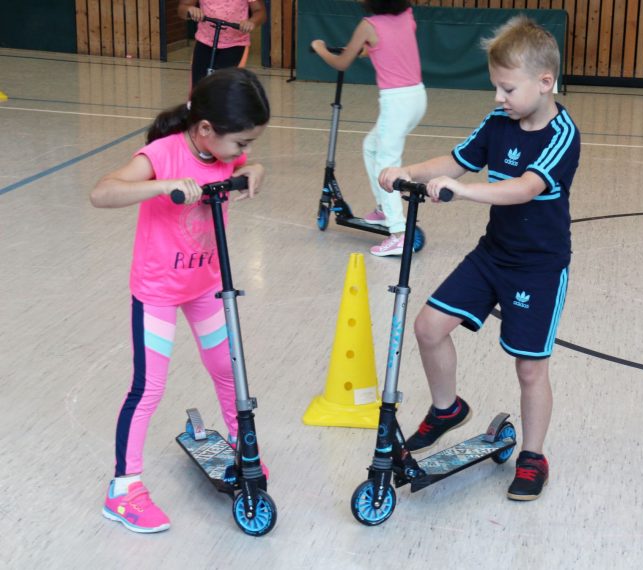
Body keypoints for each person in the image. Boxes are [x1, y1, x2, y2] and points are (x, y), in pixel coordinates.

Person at [379, 15, 580, 501]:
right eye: (496, 87)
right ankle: (447, 408)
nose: (498, 98)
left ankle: (533, 455)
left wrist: (462, 193)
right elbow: (456, 159)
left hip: (538, 266)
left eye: (507, 89)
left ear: (544, 82)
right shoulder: (499, 122)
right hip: (493, 255)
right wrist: (405, 170)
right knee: (428, 327)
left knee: (529, 367)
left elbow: (524, 188)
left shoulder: (561, 136)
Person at [90, 67, 270, 533]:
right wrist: (160, 186)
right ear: (206, 129)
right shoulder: (162, 153)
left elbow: (243, 164)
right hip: (158, 293)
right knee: (148, 388)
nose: (243, 150)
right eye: (242, 143)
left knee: (228, 370)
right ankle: (123, 490)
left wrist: (252, 168)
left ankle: (242, 447)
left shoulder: (221, 152)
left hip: (206, 286)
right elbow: (103, 191)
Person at [311, 0, 426, 257]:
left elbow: (341, 63)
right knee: (371, 146)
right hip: (417, 97)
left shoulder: (368, 25)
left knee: (387, 163)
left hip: (396, 102)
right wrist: (370, 49)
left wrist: (319, 47)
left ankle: (397, 231)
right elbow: (393, 45)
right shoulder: (407, 15)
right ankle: (385, 210)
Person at [179, 0, 267, 87]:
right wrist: (190, 9)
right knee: (198, 85)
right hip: (205, 41)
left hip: (235, 43)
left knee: (224, 86)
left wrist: (252, 22)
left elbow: (260, 11)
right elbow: (182, 8)